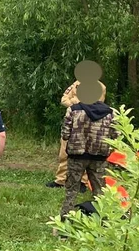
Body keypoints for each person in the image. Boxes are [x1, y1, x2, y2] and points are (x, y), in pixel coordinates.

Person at [59, 82, 115, 219]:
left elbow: (65, 134)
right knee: (100, 191)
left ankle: (64, 222)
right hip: (100, 157)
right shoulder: (110, 112)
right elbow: (116, 136)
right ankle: (103, 222)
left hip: (76, 156)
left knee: (71, 190)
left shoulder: (73, 110)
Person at [47, 79, 103, 190]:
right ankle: (61, 180)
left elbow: (97, 104)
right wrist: (77, 101)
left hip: (88, 124)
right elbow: (64, 100)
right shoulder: (75, 84)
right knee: (64, 152)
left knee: (85, 153)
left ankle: (82, 182)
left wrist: (76, 102)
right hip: (72, 121)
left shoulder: (100, 86)